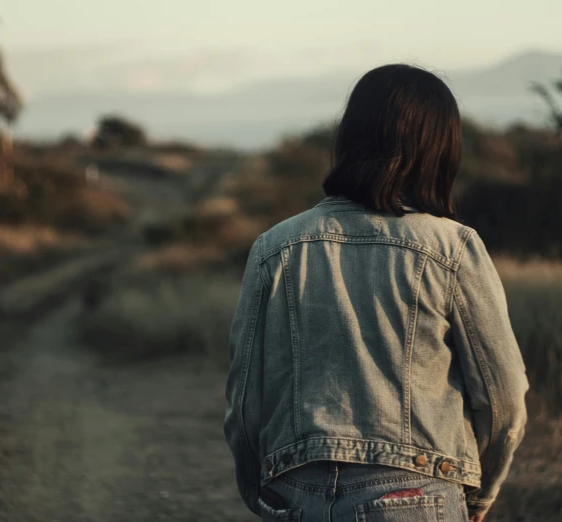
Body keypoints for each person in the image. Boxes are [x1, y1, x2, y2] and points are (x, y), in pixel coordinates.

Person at [224, 64, 529, 522]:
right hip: (416, 491)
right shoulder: (453, 247)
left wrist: (259, 491)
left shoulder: (276, 247)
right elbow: (504, 400)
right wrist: (480, 494)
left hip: (295, 491)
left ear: (350, 138)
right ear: (439, 149)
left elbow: (244, 399)